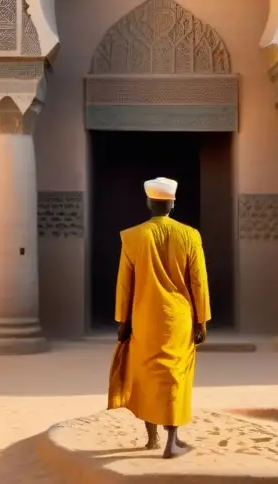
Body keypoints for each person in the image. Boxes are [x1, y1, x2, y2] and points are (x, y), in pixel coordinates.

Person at [107, 177, 211, 459]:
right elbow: (199, 282)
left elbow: (124, 284)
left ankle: (151, 437)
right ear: (173, 204)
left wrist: (122, 321)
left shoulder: (132, 236)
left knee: (146, 375)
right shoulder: (190, 235)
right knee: (174, 377)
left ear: (149, 203)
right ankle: (172, 441)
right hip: (179, 319)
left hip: (144, 316)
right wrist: (202, 320)